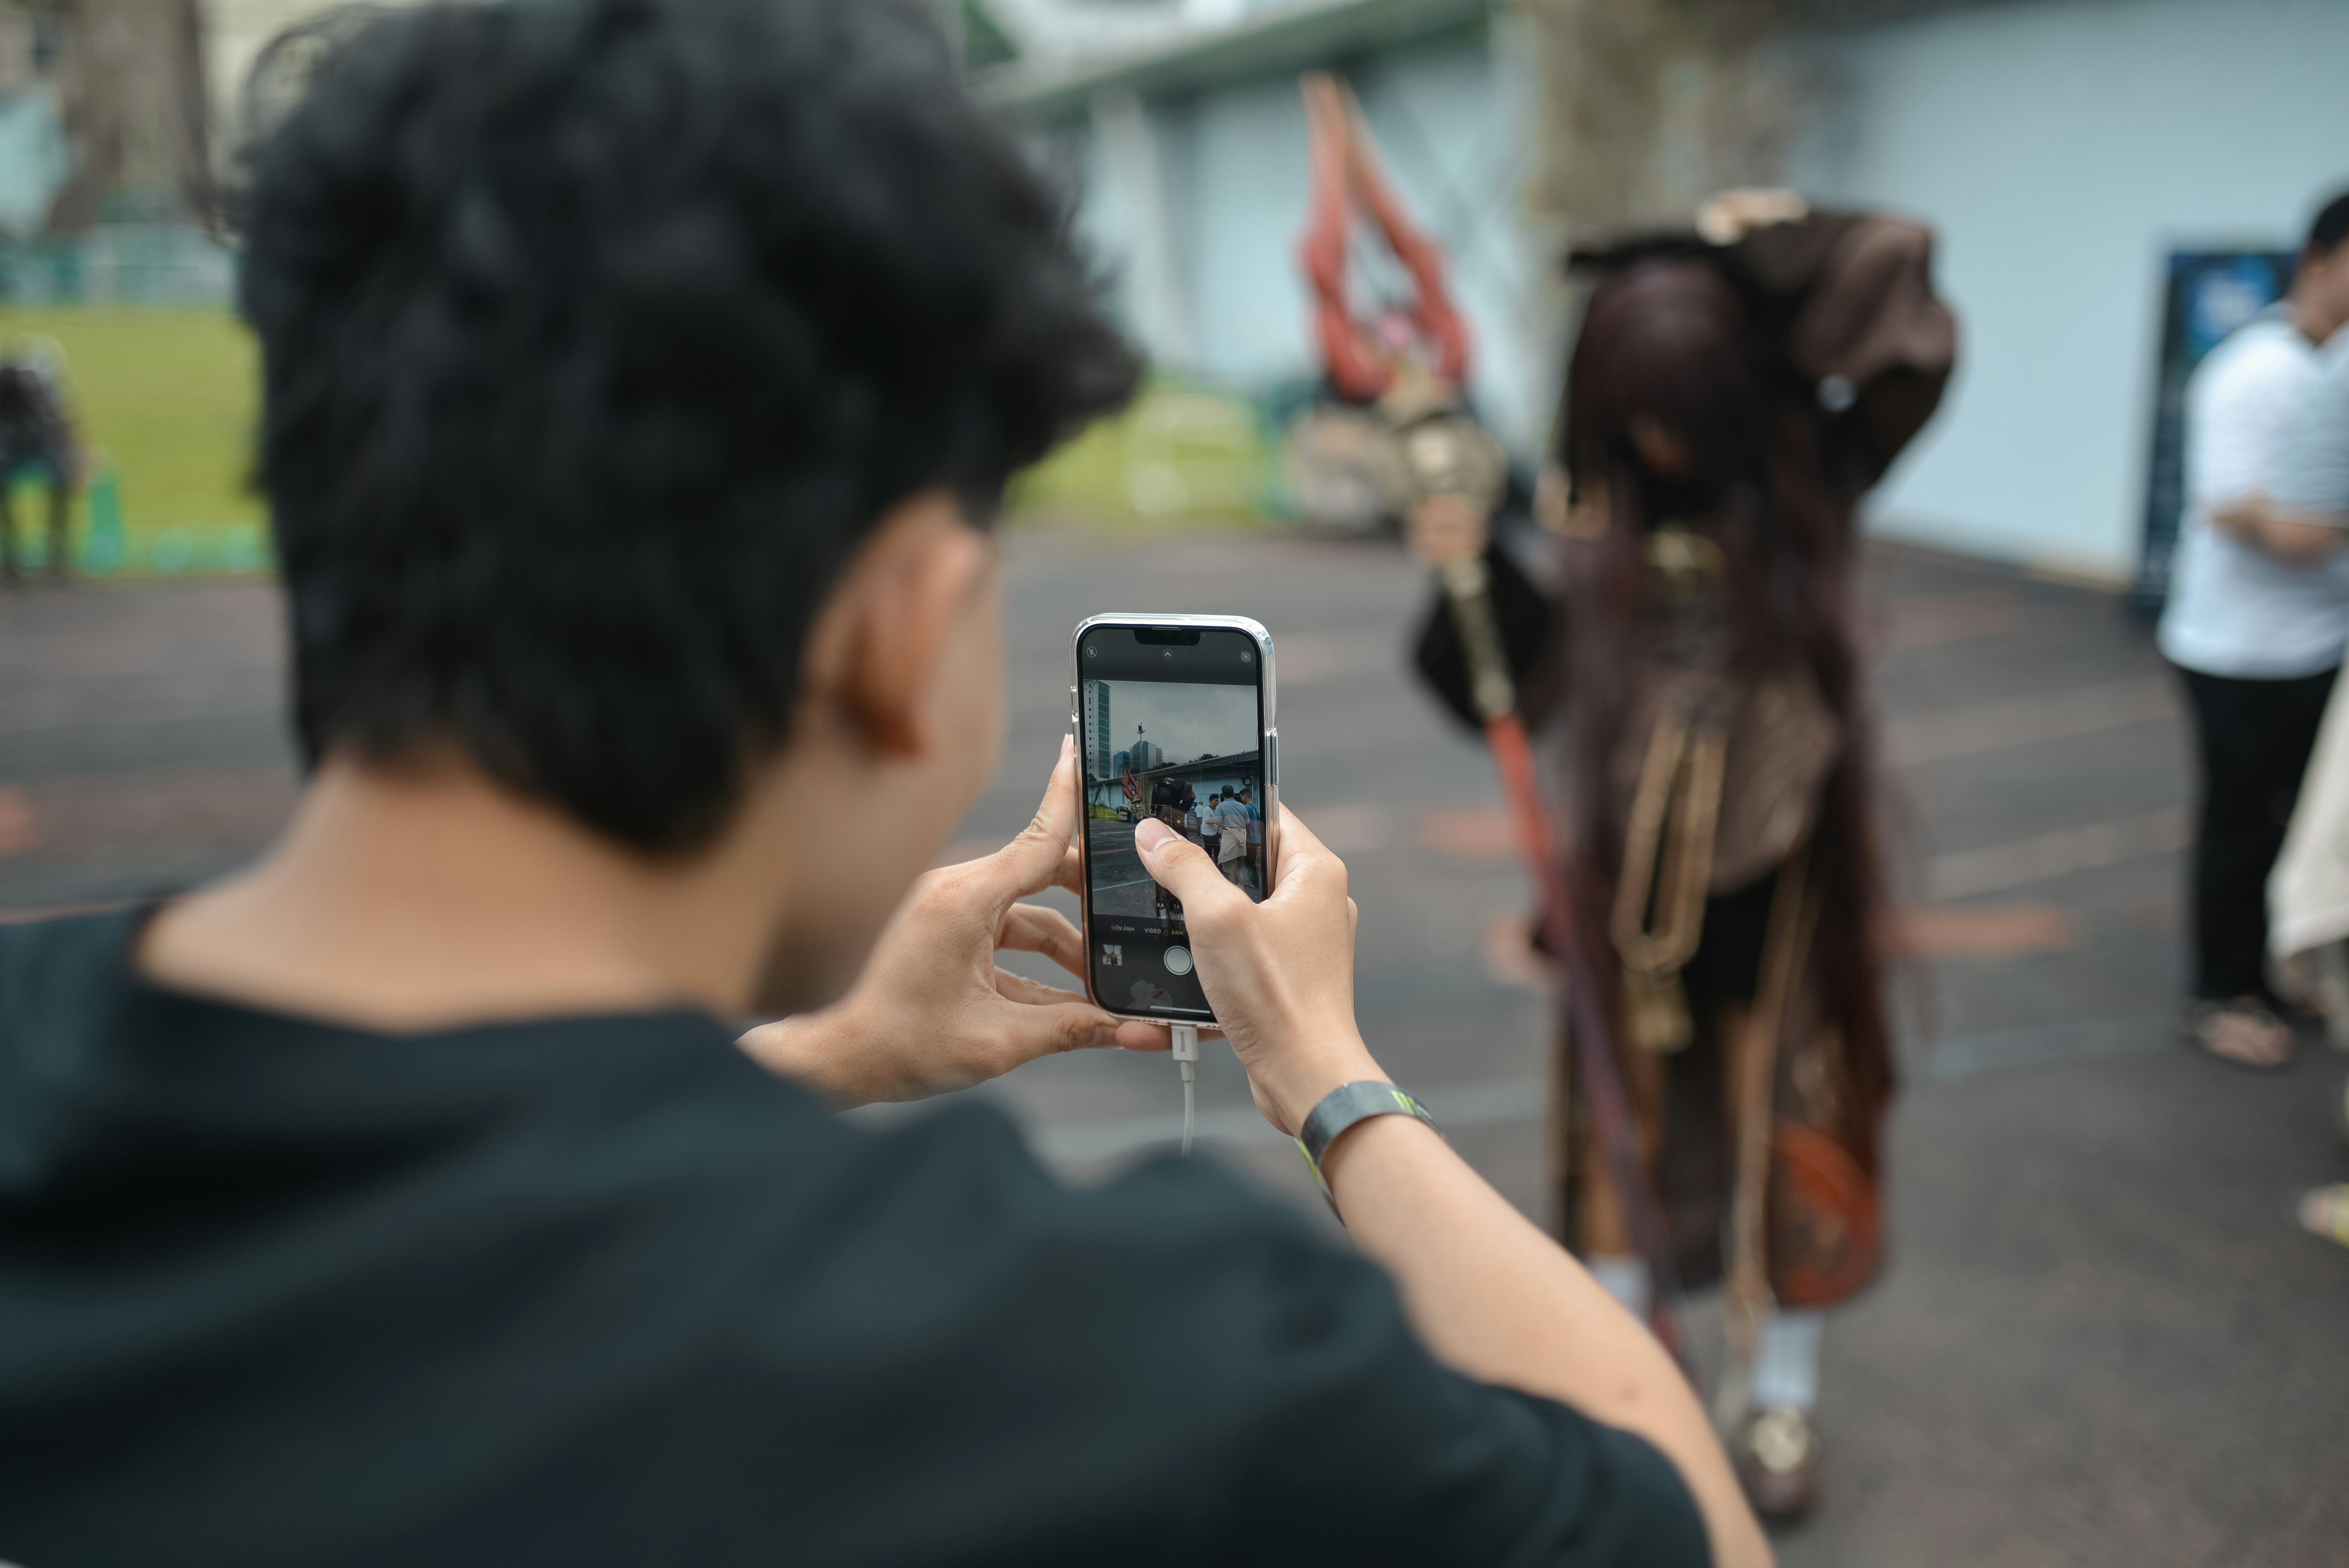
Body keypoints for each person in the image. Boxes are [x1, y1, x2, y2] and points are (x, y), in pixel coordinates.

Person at [0, 4, 1770, 1565]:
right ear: (896, 627)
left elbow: (402, 1230)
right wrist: (1327, 1075)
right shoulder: (1105, 1365)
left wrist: (821, 1047)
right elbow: (1682, 1526)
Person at [1412, 198, 1956, 1520]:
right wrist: (1469, 565)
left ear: (1731, 391)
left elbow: (1895, 279)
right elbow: (1512, 678)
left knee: (1799, 1123)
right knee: (1618, 1136)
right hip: (1623, 888)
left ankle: (1775, 1395)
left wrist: (1710, 251)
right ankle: (1621, 1384)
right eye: (1632, 410)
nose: (1658, 442)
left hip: (1787, 875)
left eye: (1681, 409)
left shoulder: (1813, 464)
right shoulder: (1589, 501)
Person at [2156, 188, 2349, 1069]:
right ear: (2317, 261)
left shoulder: (2325, 363)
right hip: (2235, 647)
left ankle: (2273, 968)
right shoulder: (2255, 370)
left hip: (2312, 639)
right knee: (2238, 822)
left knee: (2294, 822)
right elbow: (2232, 508)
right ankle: (2220, 991)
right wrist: (2316, 520)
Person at [0, 352, 79, 585]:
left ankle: (57, 558)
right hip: (15, 443)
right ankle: (14, 558)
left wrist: (73, 455)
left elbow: (61, 419)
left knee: (61, 481)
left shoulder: (40, 387)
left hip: (39, 441)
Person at [1217, 788, 1253, 890]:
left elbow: (1218, 821)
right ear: (1233, 794)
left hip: (1230, 838)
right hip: (1242, 838)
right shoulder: (1242, 806)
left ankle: (1234, 890)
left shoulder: (1221, 806)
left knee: (1230, 866)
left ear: (1223, 795)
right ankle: (1242, 888)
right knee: (1241, 863)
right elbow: (1247, 823)